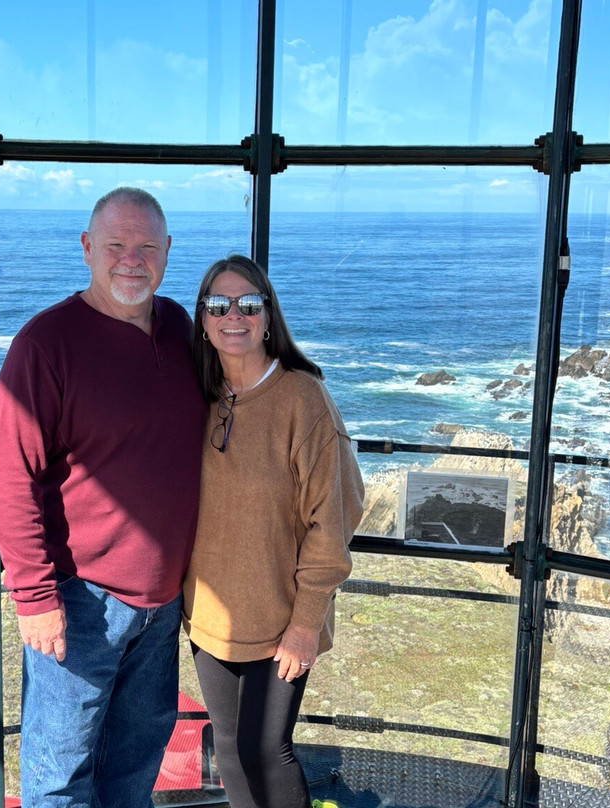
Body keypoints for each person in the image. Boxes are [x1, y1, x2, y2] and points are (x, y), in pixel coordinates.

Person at [0, 187, 206, 807]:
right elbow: (9, 476)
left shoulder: (177, 327)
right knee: (61, 778)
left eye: (145, 247)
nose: (130, 259)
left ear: (167, 253)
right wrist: (34, 596)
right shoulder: (45, 344)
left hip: (162, 608)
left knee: (134, 768)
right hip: (80, 602)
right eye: (115, 245)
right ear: (87, 249)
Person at [181, 254, 364, 808]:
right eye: (219, 305)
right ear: (204, 320)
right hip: (210, 619)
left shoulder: (302, 399)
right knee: (231, 749)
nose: (233, 315)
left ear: (267, 316)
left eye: (247, 304)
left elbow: (335, 515)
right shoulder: (199, 397)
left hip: (281, 619)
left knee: (268, 750)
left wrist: (306, 623)